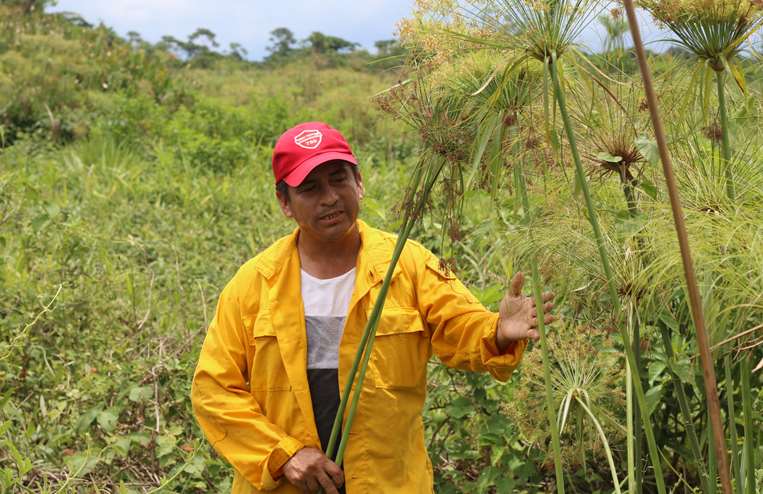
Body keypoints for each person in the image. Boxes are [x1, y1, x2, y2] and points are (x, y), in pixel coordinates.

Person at [191, 121, 555, 494]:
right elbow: (213, 390)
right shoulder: (253, 284)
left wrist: (496, 330)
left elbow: (460, 326)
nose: (330, 197)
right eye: (310, 189)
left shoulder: (407, 264)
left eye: (339, 179)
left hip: (389, 483)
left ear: (359, 183)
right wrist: (283, 455)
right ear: (284, 202)